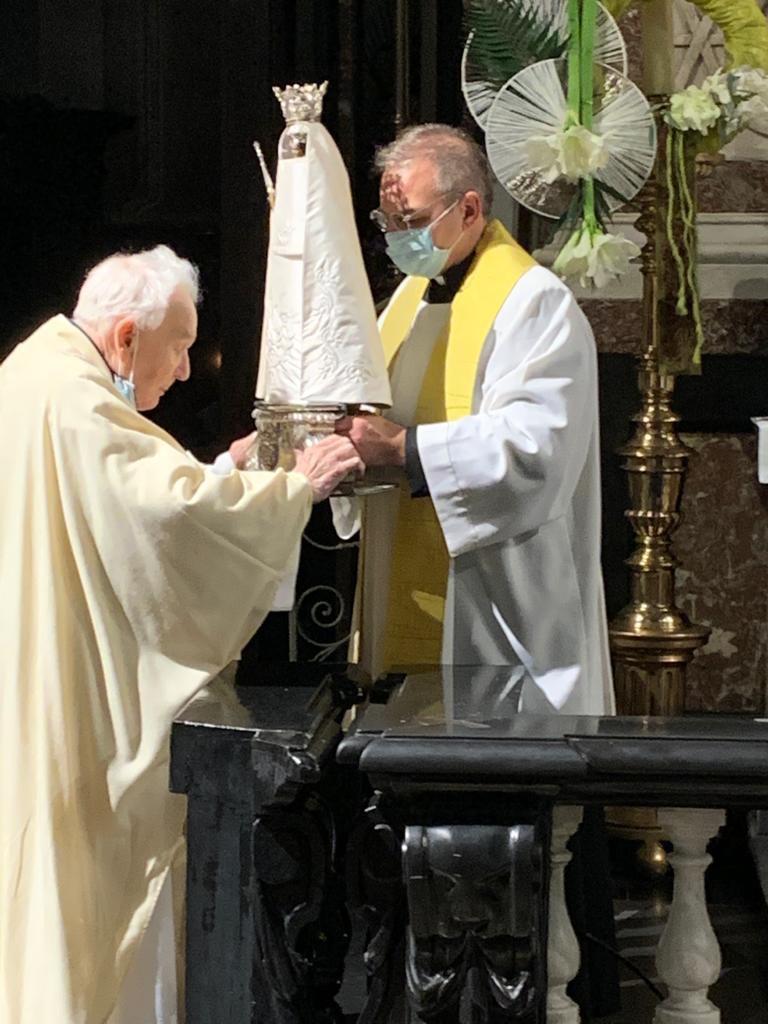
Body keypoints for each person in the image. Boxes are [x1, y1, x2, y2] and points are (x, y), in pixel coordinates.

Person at [0, 245, 362, 1024]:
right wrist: (296, 488)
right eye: (181, 344)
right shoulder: (78, 402)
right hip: (81, 706)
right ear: (127, 336)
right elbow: (165, 521)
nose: (189, 369)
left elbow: (122, 509)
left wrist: (222, 470)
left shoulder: (32, 378)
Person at [337, 123, 614, 717]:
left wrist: (406, 451)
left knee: (491, 787)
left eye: (410, 220)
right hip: (407, 595)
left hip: (501, 598)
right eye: (387, 223)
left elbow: (534, 450)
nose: (396, 238)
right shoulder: (407, 305)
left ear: (468, 209)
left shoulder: (534, 304)